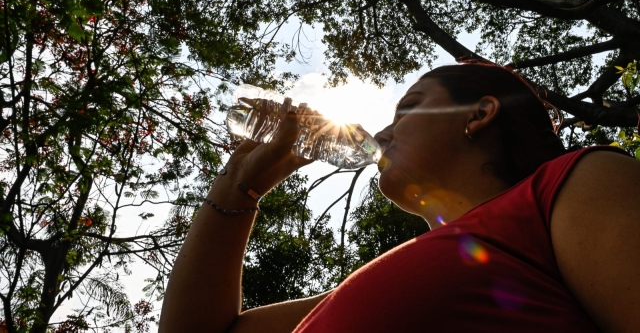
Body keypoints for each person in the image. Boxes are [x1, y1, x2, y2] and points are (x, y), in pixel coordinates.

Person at [159, 63, 640, 332]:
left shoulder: (569, 187)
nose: (383, 134)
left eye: (407, 109)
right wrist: (238, 185)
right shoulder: (362, 286)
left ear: (479, 114)